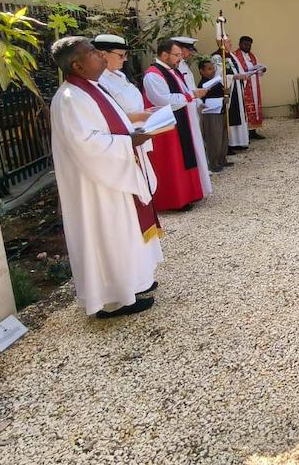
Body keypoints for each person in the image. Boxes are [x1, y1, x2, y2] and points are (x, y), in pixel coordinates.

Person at [49, 37, 162, 318]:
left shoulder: (92, 89)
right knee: (108, 235)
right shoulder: (69, 99)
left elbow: (115, 123)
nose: (101, 56)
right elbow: (86, 144)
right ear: (77, 65)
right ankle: (114, 298)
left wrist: (134, 134)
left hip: (115, 174)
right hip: (97, 186)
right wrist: (130, 143)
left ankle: (135, 282)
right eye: (93, 52)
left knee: (124, 232)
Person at [143, 38, 210, 211]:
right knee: (173, 161)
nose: (180, 58)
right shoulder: (153, 74)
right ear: (164, 55)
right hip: (168, 126)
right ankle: (176, 199)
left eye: (181, 55)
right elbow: (163, 100)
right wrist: (191, 96)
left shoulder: (173, 71)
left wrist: (192, 95)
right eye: (177, 55)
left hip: (183, 120)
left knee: (186, 157)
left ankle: (191, 193)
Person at [94, 34, 155, 183]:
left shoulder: (119, 75)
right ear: (103, 54)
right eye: (121, 55)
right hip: (123, 140)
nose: (125, 59)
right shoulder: (99, 81)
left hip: (137, 133)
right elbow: (109, 117)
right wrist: (141, 116)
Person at [212, 37, 254, 151]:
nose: (231, 44)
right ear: (221, 44)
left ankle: (240, 141)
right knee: (231, 115)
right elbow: (218, 76)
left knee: (239, 113)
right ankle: (230, 143)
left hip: (237, 88)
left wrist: (245, 75)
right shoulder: (217, 57)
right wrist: (234, 77)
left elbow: (239, 70)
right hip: (229, 89)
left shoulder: (231, 55)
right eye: (228, 42)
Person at [198, 59, 231, 173]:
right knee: (214, 138)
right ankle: (214, 162)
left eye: (213, 68)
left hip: (221, 110)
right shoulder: (203, 84)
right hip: (211, 113)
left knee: (223, 136)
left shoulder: (216, 82)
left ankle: (222, 158)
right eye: (209, 69)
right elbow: (203, 100)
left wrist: (226, 92)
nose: (212, 71)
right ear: (201, 71)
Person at [233, 35, 267, 139]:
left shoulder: (252, 56)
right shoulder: (235, 56)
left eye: (249, 45)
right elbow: (236, 71)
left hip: (254, 86)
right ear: (240, 44)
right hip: (243, 86)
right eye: (245, 44)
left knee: (254, 108)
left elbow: (257, 70)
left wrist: (262, 70)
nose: (247, 47)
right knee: (244, 108)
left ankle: (253, 131)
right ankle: (244, 133)